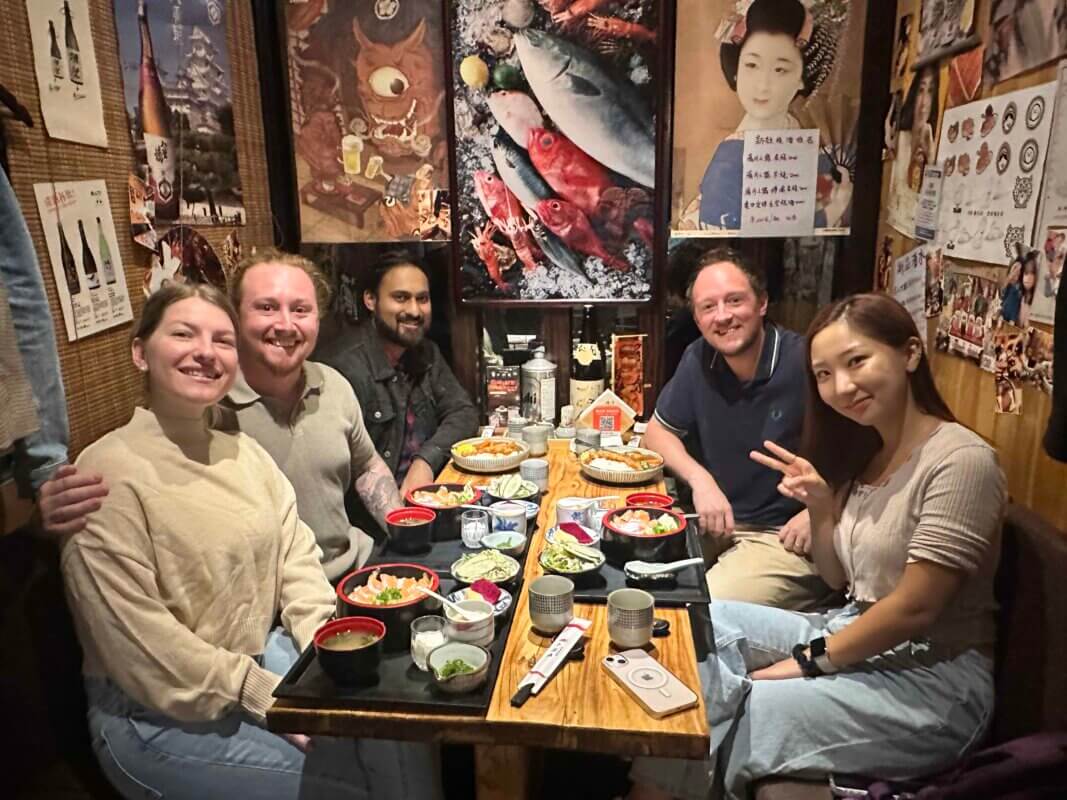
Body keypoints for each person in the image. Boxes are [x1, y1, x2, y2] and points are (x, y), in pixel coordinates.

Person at [60, 284, 440, 800]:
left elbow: (296, 556)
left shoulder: (240, 451)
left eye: (221, 340)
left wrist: (326, 653)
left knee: (398, 726)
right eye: (183, 334)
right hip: (152, 711)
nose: (205, 352)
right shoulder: (105, 474)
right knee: (344, 787)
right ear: (139, 352)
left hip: (261, 659)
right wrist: (262, 694)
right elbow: (142, 644)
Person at [628, 293, 1005, 800]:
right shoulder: (868, 450)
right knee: (693, 623)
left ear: (910, 354)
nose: (841, 387)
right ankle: (655, 788)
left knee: (751, 703)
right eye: (824, 375)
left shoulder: (962, 461)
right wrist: (824, 508)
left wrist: (808, 662)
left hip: (935, 683)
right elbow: (834, 579)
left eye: (856, 362)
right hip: (850, 627)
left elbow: (916, 609)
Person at [39, 250, 403, 583]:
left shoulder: (334, 385)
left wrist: (405, 531)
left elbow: (368, 465)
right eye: (266, 307)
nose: (286, 324)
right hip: (270, 605)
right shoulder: (202, 407)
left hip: (359, 571)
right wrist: (45, 515)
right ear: (236, 316)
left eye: (301, 310)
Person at [643, 247, 832, 610]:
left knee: (700, 612)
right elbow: (657, 433)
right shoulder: (699, 357)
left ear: (762, 303)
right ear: (696, 319)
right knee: (628, 576)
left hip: (783, 537)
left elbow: (871, 454)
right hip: (716, 525)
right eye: (708, 307)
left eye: (734, 300)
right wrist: (702, 481)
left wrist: (822, 511)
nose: (723, 316)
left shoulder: (807, 362)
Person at [319, 251, 478, 499]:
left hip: (428, 503)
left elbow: (463, 412)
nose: (414, 310)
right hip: (378, 524)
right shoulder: (344, 369)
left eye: (422, 299)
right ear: (371, 300)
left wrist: (425, 460)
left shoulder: (426, 353)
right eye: (401, 298)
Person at [696, 0, 848, 231]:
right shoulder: (730, 160)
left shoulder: (809, 145)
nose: (762, 85)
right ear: (736, 68)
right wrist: (830, 213)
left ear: (801, 78)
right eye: (752, 65)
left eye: (780, 69)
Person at [888, 63, 939, 226]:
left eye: (931, 92)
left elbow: (930, 211)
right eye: (921, 90)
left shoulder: (935, 150)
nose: (924, 102)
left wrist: (931, 160)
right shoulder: (901, 139)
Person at [1001, 246, 1039, 327]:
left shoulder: (1021, 295)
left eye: (1031, 273)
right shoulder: (1015, 291)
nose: (1028, 277)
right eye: (1026, 273)